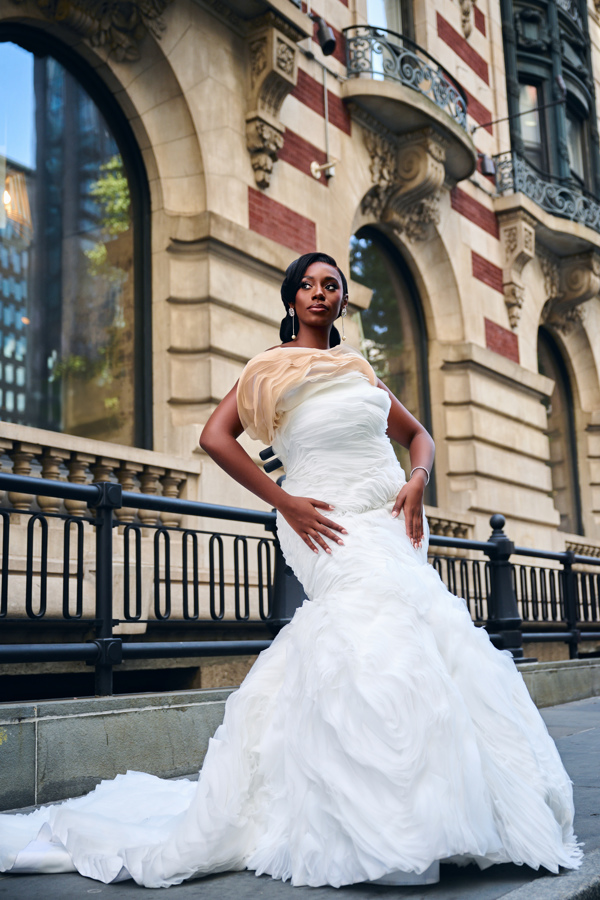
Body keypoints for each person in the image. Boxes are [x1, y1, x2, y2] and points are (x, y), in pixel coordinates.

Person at [0, 252, 582, 888]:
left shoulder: (360, 370)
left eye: (331, 285)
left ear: (341, 302)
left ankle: (440, 811)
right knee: (370, 633)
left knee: (421, 638)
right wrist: (283, 502)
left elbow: (421, 437)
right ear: (290, 299)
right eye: (307, 284)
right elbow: (215, 438)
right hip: (322, 523)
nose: (319, 293)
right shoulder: (267, 370)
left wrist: (418, 481)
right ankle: (386, 822)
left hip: (389, 521)